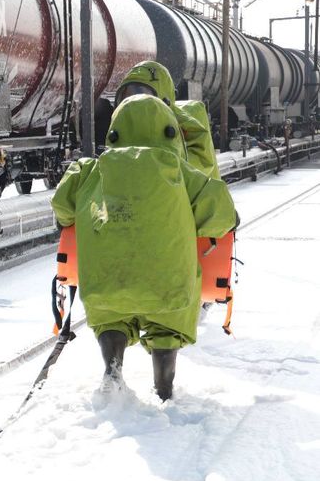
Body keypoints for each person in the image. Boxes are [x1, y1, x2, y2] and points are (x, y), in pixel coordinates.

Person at [51, 94, 236, 400]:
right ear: (170, 132)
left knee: (110, 318)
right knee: (169, 325)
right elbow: (221, 216)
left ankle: (112, 369)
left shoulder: (89, 171)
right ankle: (164, 387)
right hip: (168, 286)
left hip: (107, 282)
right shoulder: (181, 172)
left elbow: (62, 207)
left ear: (115, 131)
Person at [114, 60, 221, 179]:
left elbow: (200, 166)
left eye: (142, 95)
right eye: (128, 96)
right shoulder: (125, 128)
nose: (135, 103)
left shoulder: (187, 126)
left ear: (165, 99)